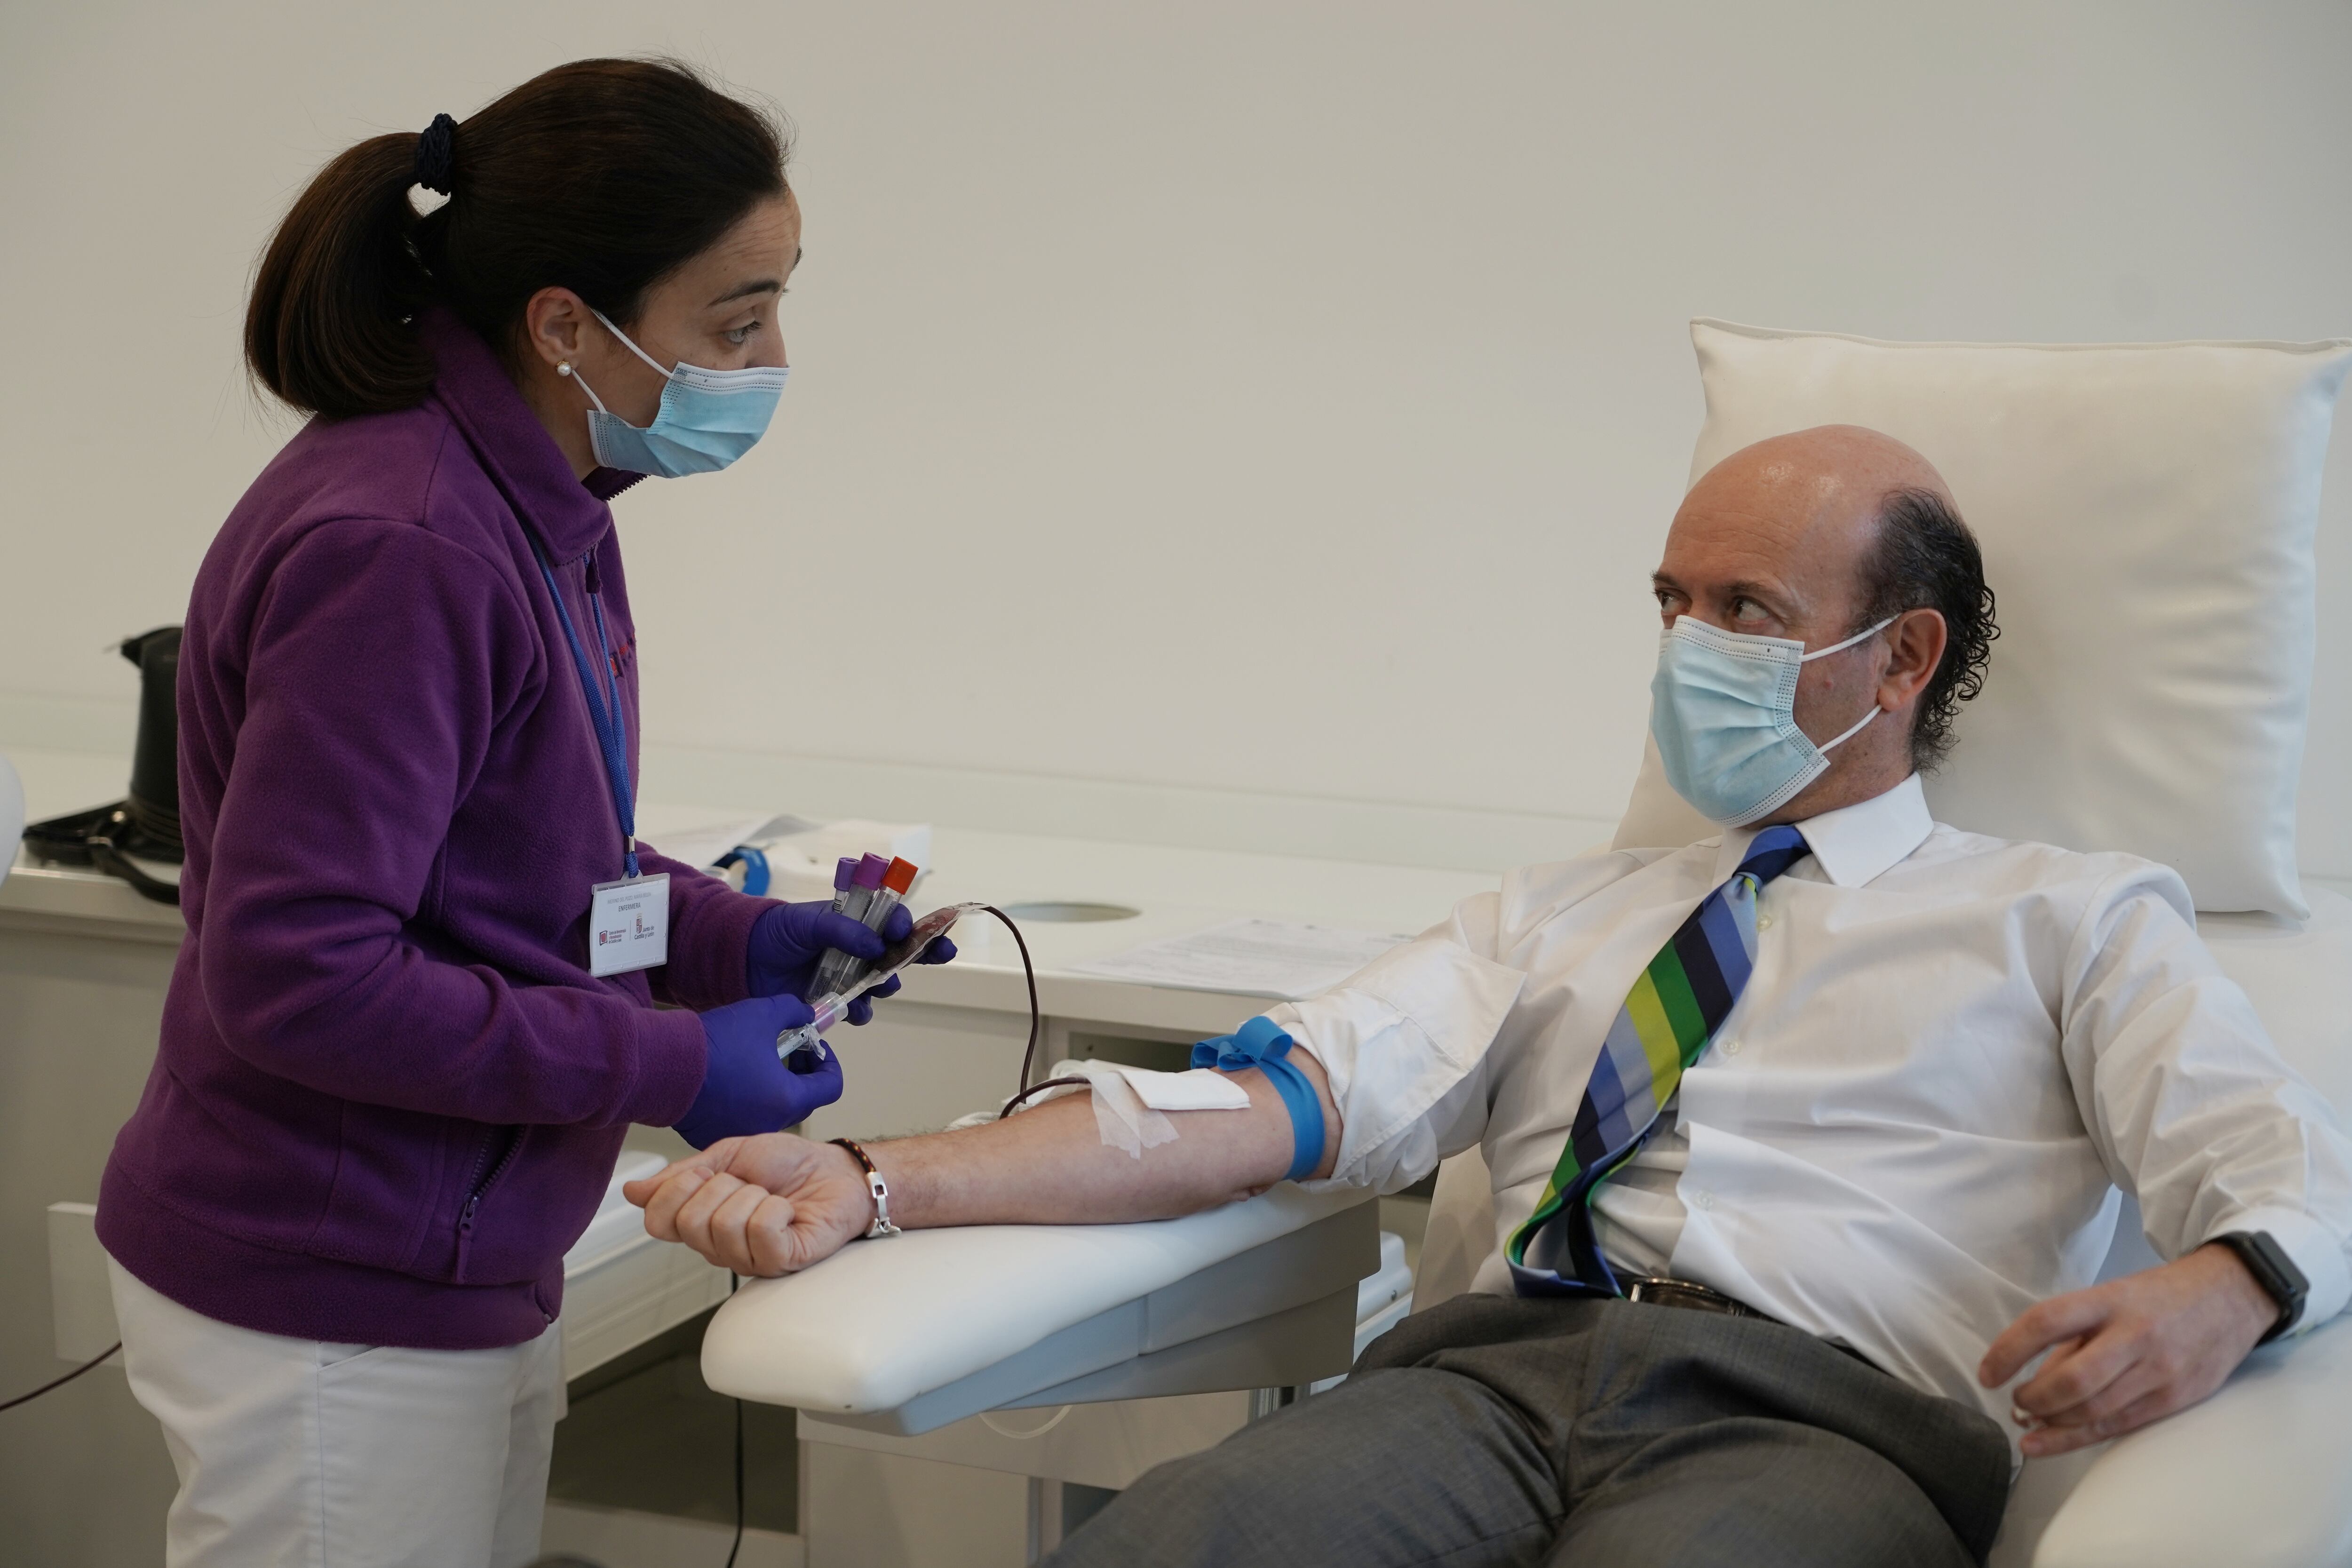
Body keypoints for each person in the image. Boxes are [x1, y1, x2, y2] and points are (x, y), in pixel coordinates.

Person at [630, 425, 2352, 1567]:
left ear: (1900, 657)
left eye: (1747, 609)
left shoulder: (2071, 917)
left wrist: (2223, 1288)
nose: (1689, 646)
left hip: (1819, 1426)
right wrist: (874, 1180)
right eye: (1672, 604)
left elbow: (2271, 1153)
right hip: (1479, 1386)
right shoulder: (1562, 915)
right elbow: (1264, 1107)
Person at [95, 58, 946, 1568]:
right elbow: (302, 975)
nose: (770, 359)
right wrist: (676, 1056)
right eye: (736, 323)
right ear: (566, 325)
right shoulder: (407, 543)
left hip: (449, 1259)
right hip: (329, 1286)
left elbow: (537, 859)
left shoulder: (549, 496)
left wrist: (738, 940)